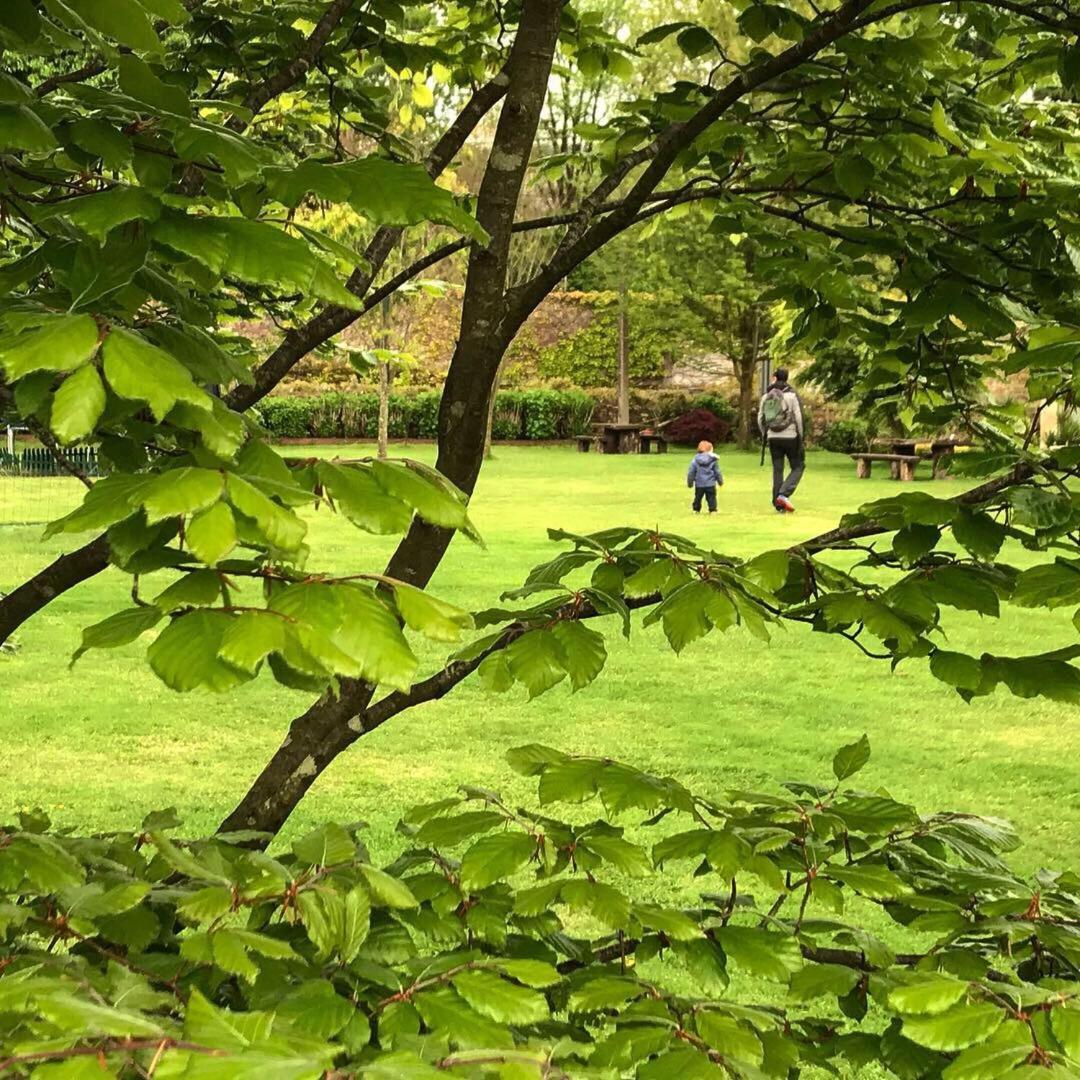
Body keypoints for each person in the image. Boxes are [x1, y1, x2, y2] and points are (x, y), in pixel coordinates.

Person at [758, 368, 805, 513]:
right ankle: (783, 494)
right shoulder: (791, 395)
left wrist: (765, 434)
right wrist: (801, 436)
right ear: (787, 378)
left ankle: (778, 504)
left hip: (773, 437)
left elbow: (760, 418)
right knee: (798, 466)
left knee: (777, 470)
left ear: (774, 377)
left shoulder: (766, 396)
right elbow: (798, 417)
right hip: (791, 436)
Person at [686, 439, 723, 514]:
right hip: (710, 484)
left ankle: (696, 509)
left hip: (699, 484)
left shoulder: (695, 460)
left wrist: (690, 483)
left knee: (698, 497)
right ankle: (712, 510)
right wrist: (720, 481)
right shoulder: (713, 460)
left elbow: (691, 472)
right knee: (711, 497)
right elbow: (717, 472)